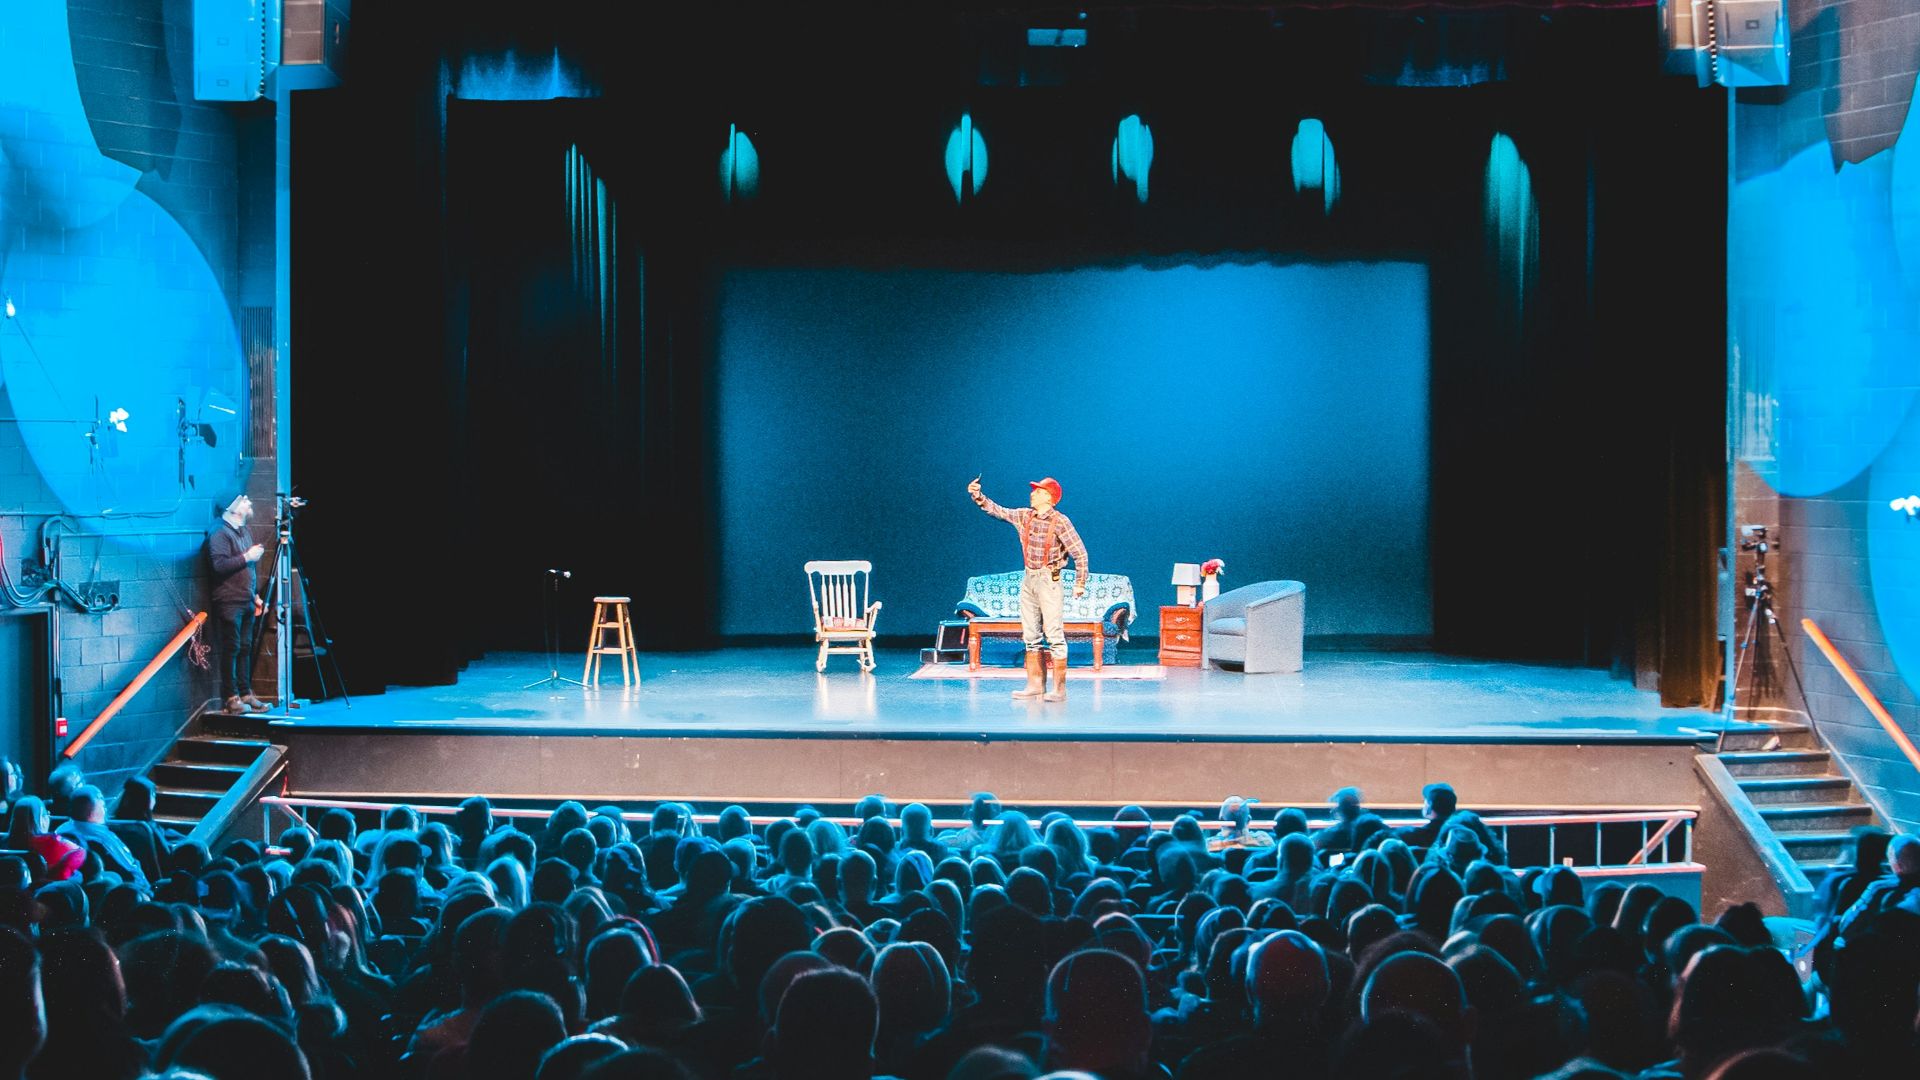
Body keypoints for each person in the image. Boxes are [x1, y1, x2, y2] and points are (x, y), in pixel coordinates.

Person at [968, 475, 1091, 702]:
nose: (1032, 493)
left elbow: (1080, 553)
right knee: (1030, 634)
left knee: (1054, 634)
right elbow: (998, 510)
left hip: (1049, 580)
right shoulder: (1025, 516)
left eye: (1037, 491)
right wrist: (977, 495)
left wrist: (1080, 583)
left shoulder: (1060, 521)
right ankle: (1035, 685)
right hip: (1029, 579)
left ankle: (1059, 689)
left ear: (1048, 497)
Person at [205, 493, 268, 714]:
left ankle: (245, 693)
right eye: (244, 500)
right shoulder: (219, 533)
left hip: (246, 600)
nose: (249, 502)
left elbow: (249, 571)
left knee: (244, 648)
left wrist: (255, 596)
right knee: (231, 649)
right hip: (229, 601)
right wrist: (247, 556)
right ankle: (231, 698)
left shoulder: (243, 531)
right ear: (232, 508)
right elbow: (219, 565)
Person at [53, 785, 149, 891]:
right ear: (91, 813)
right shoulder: (98, 841)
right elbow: (129, 871)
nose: (105, 809)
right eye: (103, 806)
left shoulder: (60, 830)